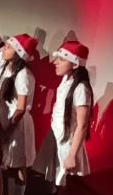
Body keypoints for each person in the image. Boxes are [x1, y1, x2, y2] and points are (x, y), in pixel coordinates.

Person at [32, 40, 92, 187]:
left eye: (61, 59)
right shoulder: (65, 80)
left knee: (64, 185)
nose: (55, 62)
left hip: (67, 143)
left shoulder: (80, 89)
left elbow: (82, 125)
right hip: (56, 136)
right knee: (51, 182)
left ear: (75, 64)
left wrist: (72, 155)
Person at [0, 34, 38, 195]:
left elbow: (20, 108)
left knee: (19, 165)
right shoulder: (6, 69)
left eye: (10, 47)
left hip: (17, 125)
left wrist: (8, 130)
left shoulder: (23, 75)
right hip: (5, 121)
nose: (5, 48)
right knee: (9, 164)